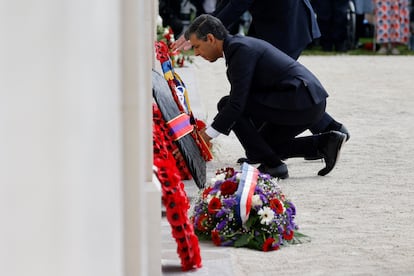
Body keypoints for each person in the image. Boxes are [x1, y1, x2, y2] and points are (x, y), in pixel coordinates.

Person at [172, 0, 350, 161]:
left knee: (265, 91)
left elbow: (236, 5)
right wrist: (195, 32)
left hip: (287, 25)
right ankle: (325, 134)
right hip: (272, 24)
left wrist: (202, 33)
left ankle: (268, 153)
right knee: (265, 91)